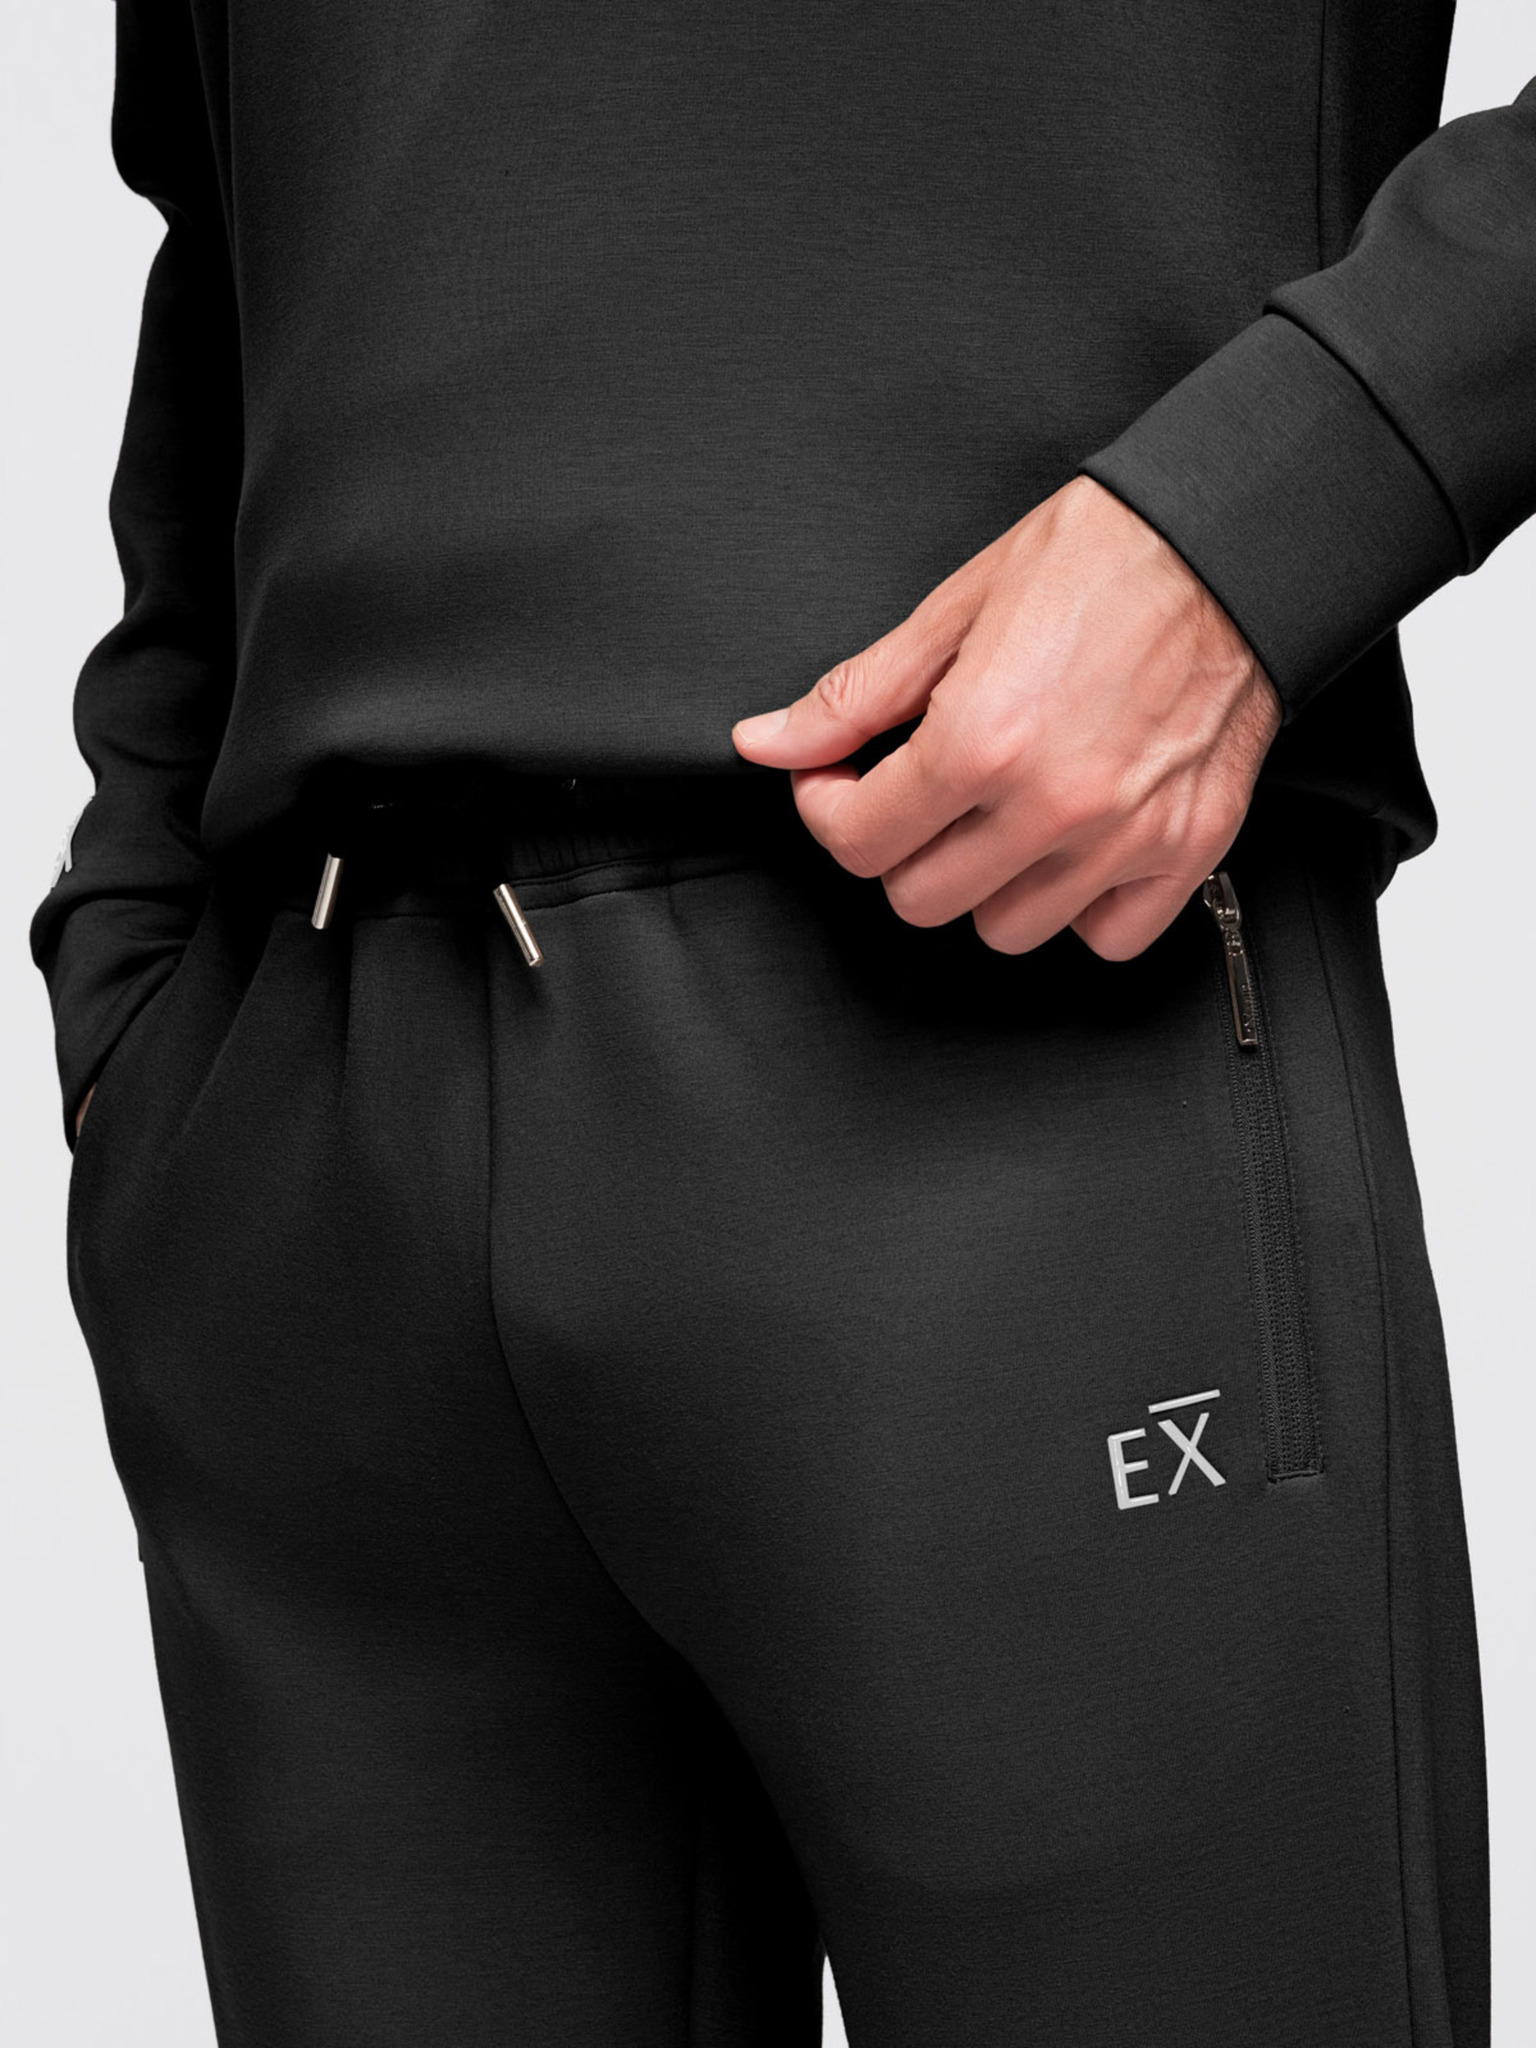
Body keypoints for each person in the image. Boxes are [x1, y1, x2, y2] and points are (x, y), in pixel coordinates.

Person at [31, 1, 1532, 2041]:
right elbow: (225, 206)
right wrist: (133, 958)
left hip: (1025, 1024)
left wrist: (1279, 504)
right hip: (321, 1132)